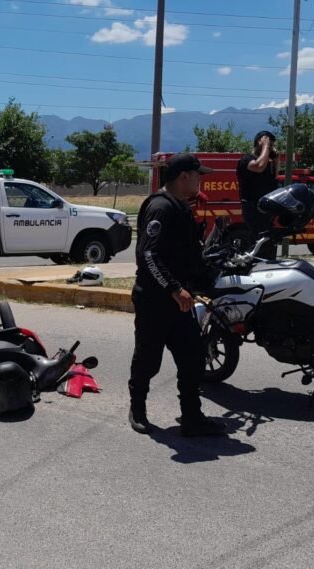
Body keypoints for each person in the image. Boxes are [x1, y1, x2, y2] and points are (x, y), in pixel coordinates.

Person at [128, 153, 227, 437]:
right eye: (198, 175)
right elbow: (148, 255)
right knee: (148, 358)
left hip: (180, 301)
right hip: (156, 300)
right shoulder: (161, 207)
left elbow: (185, 254)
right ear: (184, 176)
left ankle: (192, 417)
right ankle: (138, 408)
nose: (200, 180)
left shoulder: (180, 206)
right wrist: (174, 287)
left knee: (192, 357)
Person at [236, 130, 280, 260]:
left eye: (271, 145)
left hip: (266, 209)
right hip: (253, 208)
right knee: (260, 240)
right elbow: (259, 166)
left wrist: (276, 159)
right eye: (268, 144)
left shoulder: (267, 163)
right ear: (258, 143)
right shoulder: (246, 160)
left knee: (268, 241)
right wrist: (265, 147)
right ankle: (257, 266)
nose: (270, 147)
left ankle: (267, 264)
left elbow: (275, 176)